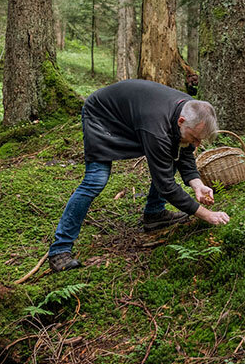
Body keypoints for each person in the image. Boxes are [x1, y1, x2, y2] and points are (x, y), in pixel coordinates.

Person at [48, 79, 232, 272]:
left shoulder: (190, 110)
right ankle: (59, 250)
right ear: (181, 122)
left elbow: (182, 152)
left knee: (171, 152)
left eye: (199, 140)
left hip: (135, 115)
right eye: (194, 138)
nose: (196, 145)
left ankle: (154, 215)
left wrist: (197, 184)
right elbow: (166, 185)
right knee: (96, 180)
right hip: (101, 115)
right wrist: (206, 215)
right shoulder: (157, 127)